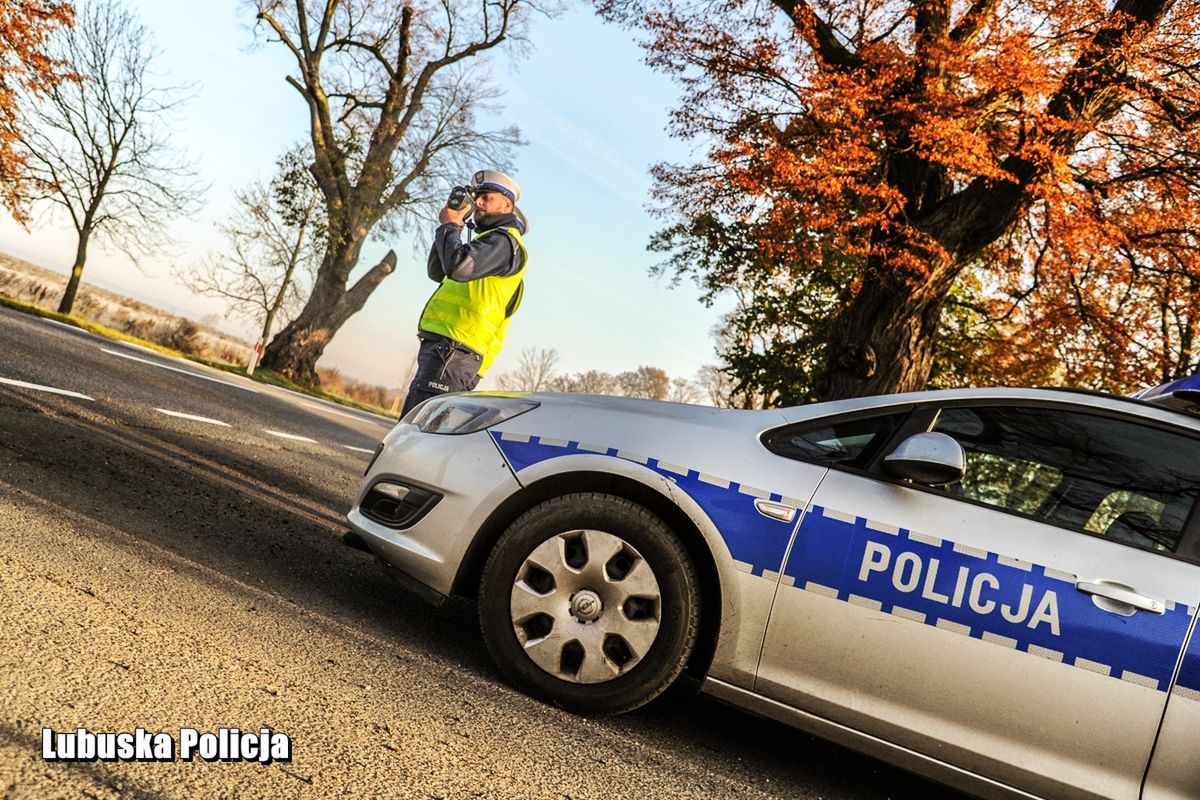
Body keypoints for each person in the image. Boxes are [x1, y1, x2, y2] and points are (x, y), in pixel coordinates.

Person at [400, 169, 529, 417]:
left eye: (486, 197)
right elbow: (438, 271)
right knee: (424, 431)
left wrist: (449, 226)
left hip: (455, 350)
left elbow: (458, 267)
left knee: (415, 431)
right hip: (449, 350)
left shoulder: (503, 243)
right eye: (476, 197)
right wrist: (454, 227)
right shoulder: (487, 243)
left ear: (507, 204)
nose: (478, 202)